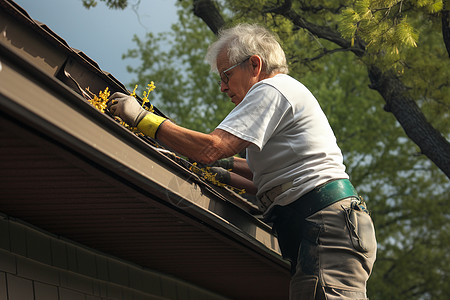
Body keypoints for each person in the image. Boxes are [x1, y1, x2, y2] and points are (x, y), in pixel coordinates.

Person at [107, 23, 377, 299]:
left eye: (226, 75)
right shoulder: (285, 94)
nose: (223, 88)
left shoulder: (271, 89)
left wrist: (143, 119)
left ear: (254, 65)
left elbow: (212, 148)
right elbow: (274, 176)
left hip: (324, 226)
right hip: (325, 225)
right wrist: (226, 170)